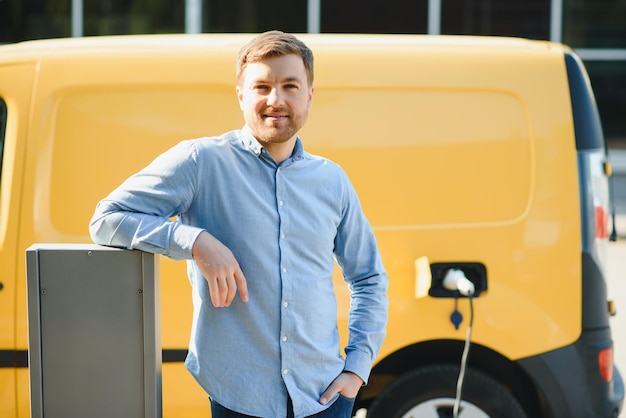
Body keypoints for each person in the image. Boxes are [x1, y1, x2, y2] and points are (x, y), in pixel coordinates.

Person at [89, 30, 388, 418]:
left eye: (290, 86)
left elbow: (368, 278)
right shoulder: (200, 162)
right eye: (262, 86)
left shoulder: (332, 181)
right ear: (241, 95)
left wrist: (355, 369)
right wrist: (194, 241)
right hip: (238, 398)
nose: (275, 100)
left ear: (309, 95)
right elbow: (107, 219)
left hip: (324, 398)